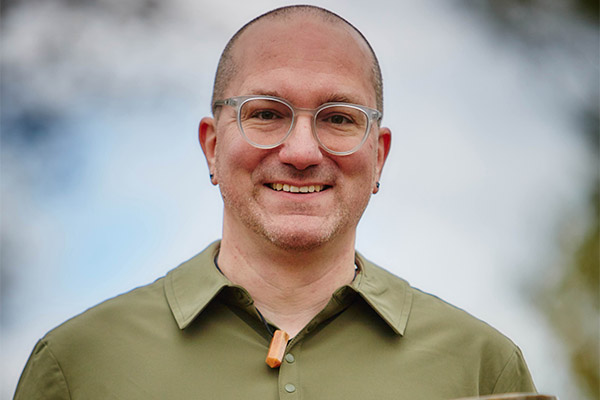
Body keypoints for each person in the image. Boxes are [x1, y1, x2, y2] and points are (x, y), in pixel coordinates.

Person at [15, 5, 536, 399]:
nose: (302, 152)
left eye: (339, 118)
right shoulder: (78, 366)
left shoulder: (482, 368)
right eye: (266, 113)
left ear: (379, 156)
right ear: (212, 146)